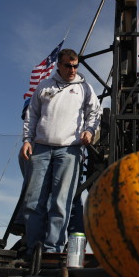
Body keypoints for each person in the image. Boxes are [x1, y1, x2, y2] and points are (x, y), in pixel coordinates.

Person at [21, 48, 101, 254]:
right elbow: (32, 116)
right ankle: (33, 249)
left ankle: (52, 249)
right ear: (59, 65)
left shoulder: (85, 89)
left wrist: (90, 130)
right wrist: (27, 140)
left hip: (69, 151)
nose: (72, 69)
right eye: (68, 65)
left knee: (61, 202)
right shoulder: (44, 86)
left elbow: (95, 113)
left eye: (75, 66)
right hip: (40, 149)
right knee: (33, 201)